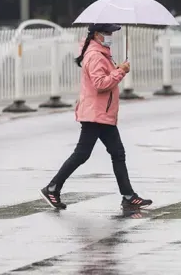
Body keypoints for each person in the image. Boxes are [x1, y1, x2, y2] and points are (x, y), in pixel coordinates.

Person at [40, 23, 152, 210]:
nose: (110, 36)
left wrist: (117, 69)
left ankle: (128, 195)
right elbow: (100, 84)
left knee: (117, 153)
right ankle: (52, 188)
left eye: (111, 32)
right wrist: (121, 71)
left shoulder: (102, 54)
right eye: (107, 33)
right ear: (96, 35)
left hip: (102, 113)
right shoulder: (95, 56)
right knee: (82, 154)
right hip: (95, 114)